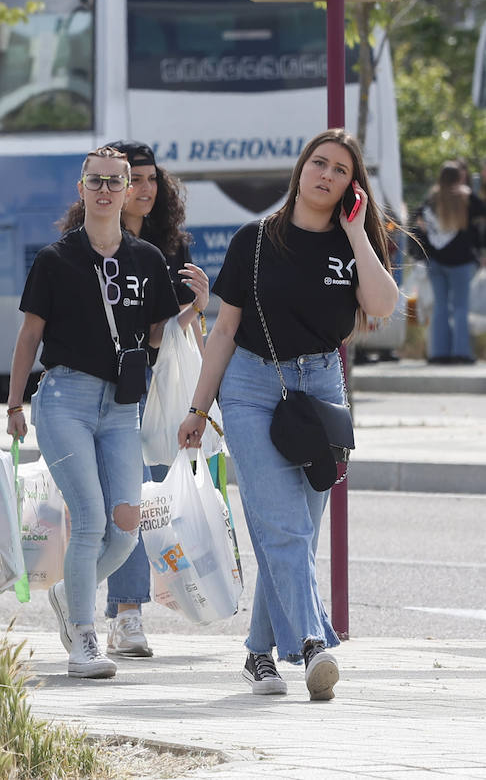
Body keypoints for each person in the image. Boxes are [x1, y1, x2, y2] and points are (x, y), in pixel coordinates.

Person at [178, 128, 397, 701]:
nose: (326, 175)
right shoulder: (254, 240)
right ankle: (311, 645)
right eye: (318, 163)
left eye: (340, 170)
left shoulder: (352, 246)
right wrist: (199, 407)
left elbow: (381, 307)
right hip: (252, 384)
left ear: (353, 186)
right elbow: (223, 328)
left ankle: (257, 654)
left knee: (297, 530)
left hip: (322, 387)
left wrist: (356, 232)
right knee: (283, 526)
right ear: (301, 170)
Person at [6, 146, 179, 679]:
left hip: (122, 406)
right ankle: (84, 640)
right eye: (95, 181)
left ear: (130, 191)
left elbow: (158, 330)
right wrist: (14, 402)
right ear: (81, 190)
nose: (105, 190)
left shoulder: (147, 259)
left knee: (125, 528)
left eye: (115, 182)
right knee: (88, 521)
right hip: (65, 399)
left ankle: (68, 593)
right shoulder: (55, 259)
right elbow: (30, 334)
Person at [58, 140, 210, 658]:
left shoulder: (168, 249)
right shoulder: (81, 246)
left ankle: (116, 611)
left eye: (149, 180)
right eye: (132, 179)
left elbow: (169, 330)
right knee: (118, 507)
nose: (141, 189)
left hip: (156, 383)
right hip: (102, 391)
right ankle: (123, 613)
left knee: (140, 504)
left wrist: (199, 309)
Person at [415, 160, 485, 365]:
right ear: (460, 177)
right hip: (462, 262)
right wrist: (470, 193)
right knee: (461, 307)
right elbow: (483, 211)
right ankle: (461, 353)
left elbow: (418, 217)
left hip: (436, 260)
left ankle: (438, 353)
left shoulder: (432, 198)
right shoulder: (466, 198)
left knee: (440, 307)